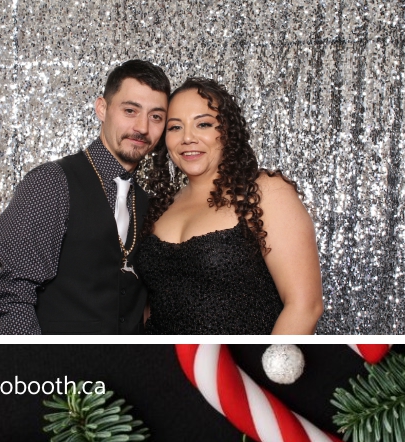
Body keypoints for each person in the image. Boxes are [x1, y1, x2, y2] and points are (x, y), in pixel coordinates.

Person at [0, 60, 170, 335]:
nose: (142, 127)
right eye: (130, 110)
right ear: (102, 109)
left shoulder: (147, 203)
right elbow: (13, 296)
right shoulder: (51, 182)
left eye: (156, 116)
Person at [136, 77, 324, 336]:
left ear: (227, 131)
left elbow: (305, 307)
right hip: (162, 359)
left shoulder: (264, 192)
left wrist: (271, 361)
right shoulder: (158, 206)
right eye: (175, 127)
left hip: (244, 360)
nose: (187, 138)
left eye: (203, 124)